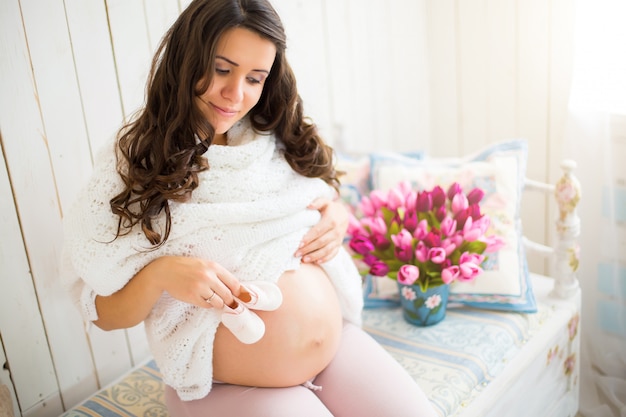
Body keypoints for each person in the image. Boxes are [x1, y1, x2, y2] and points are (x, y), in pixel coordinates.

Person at [62, 0, 438, 416]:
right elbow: (103, 312)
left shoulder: (270, 134)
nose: (235, 95)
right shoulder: (137, 162)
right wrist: (161, 275)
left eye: (255, 78)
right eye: (222, 69)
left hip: (336, 350)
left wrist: (337, 214)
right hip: (226, 386)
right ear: (188, 59)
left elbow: (320, 190)